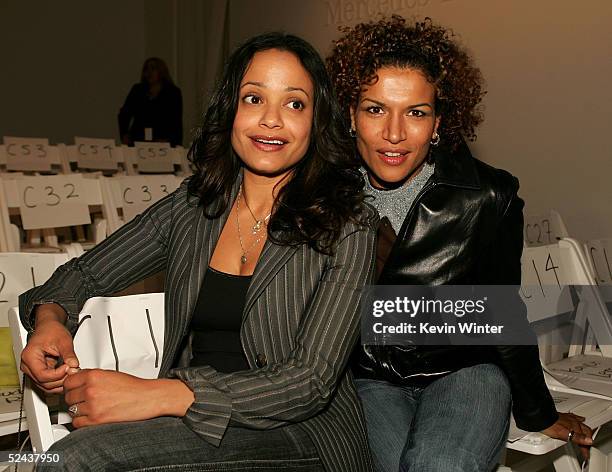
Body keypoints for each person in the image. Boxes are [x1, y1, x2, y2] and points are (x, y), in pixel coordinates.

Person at [19, 32, 376, 472]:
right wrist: (50, 318)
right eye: (253, 99)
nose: (270, 120)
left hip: (301, 434)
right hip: (193, 426)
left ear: (316, 121)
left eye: (294, 104)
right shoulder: (193, 208)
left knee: (76, 459)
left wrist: (158, 394)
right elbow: (82, 275)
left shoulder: (347, 224)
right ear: (231, 110)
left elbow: (309, 383)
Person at [326, 16, 593, 471]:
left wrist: (538, 411)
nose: (394, 133)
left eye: (416, 112)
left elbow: (501, 311)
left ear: (438, 123)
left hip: (466, 372)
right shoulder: (319, 197)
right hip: (365, 381)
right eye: (375, 109)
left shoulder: (489, 197)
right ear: (351, 116)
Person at [118, 57, 183, 146]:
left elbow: (176, 120)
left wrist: (172, 141)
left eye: (153, 68)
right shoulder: (138, 90)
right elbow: (124, 113)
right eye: (146, 69)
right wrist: (124, 134)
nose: (149, 72)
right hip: (138, 139)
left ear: (161, 71)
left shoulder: (172, 93)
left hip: (162, 141)